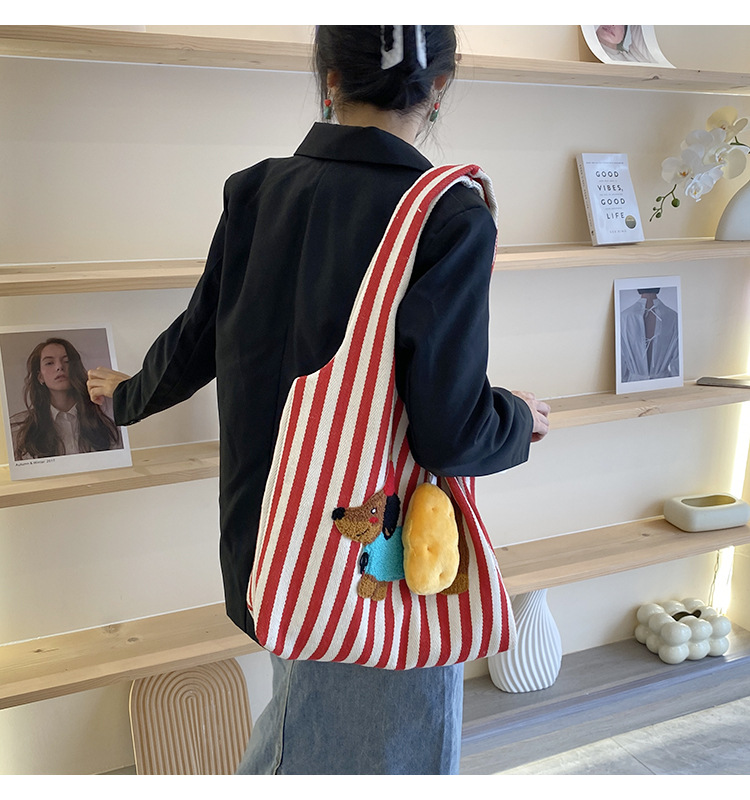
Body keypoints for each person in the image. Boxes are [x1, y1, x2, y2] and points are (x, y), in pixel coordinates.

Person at [87, 25, 550, 775]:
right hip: (371, 557)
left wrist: (125, 398)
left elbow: (198, 336)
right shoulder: (447, 216)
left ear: (329, 77)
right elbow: (450, 431)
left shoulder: (255, 191)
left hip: (266, 544)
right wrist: (520, 419)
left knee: (299, 725)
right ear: (439, 86)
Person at [11, 336, 122, 460]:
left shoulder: (104, 420)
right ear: (40, 377)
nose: (59, 367)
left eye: (67, 361)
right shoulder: (20, 429)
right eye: (49, 363)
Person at [620, 287, 680, 382]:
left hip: (633, 384)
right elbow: (677, 362)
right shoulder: (673, 316)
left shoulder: (623, 318)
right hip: (663, 383)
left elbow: (620, 361)